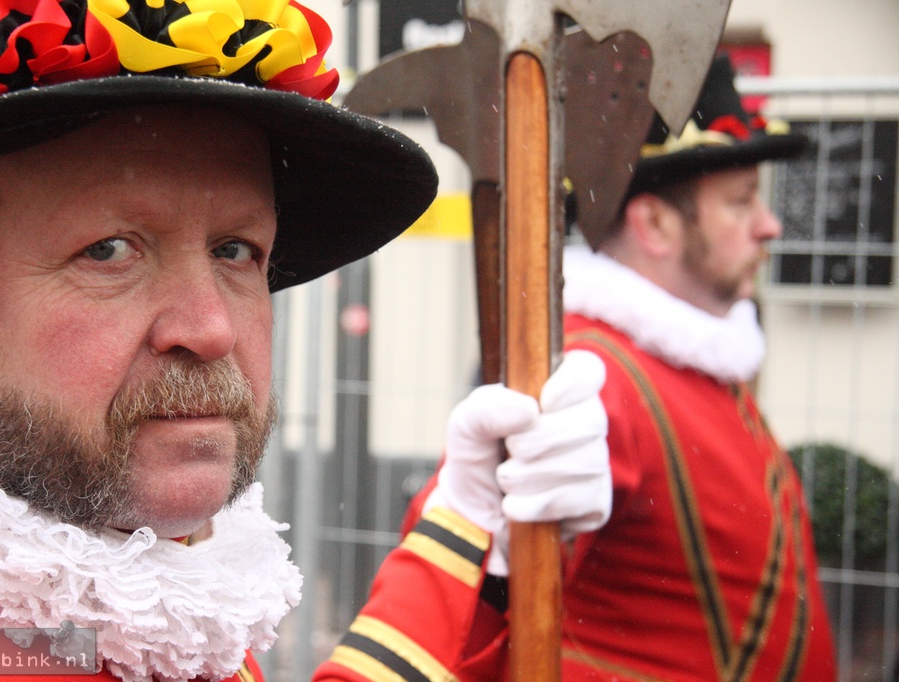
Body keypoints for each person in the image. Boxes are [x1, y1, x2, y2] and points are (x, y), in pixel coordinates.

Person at [0, 1, 612, 681]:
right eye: (108, 251)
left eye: (236, 251)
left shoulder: (110, 615)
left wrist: (474, 541)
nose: (211, 328)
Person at [315, 55, 839, 681]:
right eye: (741, 201)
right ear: (653, 223)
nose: (770, 226)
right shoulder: (593, 376)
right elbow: (469, 572)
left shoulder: (694, 362)